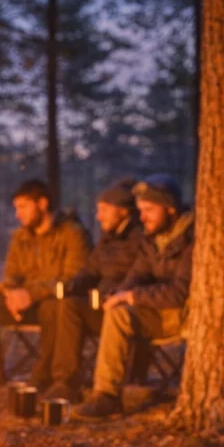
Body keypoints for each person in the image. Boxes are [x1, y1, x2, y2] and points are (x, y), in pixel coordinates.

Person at [72, 174, 194, 420]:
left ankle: (107, 395)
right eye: (140, 211)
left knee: (121, 311)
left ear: (170, 209)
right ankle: (104, 395)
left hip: (184, 315)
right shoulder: (153, 239)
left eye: (149, 210)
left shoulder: (192, 239)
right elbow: (137, 274)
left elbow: (181, 292)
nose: (143, 217)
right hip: (157, 309)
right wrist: (119, 294)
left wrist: (131, 295)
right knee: (116, 310)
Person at [0, 179, 91, 389]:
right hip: (22, 304)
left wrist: (31, 294)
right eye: (16, 208)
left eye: (23, 207)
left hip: (51, 303)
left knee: (54, 308)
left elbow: (74, 278)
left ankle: (44, 376)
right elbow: (11, 275)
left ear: (42, 204)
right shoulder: (20, 237)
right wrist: (10, 293)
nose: (18, 214)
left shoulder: (72, 233)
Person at [45, 178, 144, 401]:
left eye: (104, 210)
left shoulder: (141, 238)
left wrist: (117, 293)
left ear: (122, 210)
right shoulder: (106, 239)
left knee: (84, 307)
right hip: (101, 305)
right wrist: (71, 285)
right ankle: (65, 382)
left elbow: (141, 275)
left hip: (125, 309)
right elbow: (90, 271)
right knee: (69, 304)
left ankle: (107, 390)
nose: (98, 216)